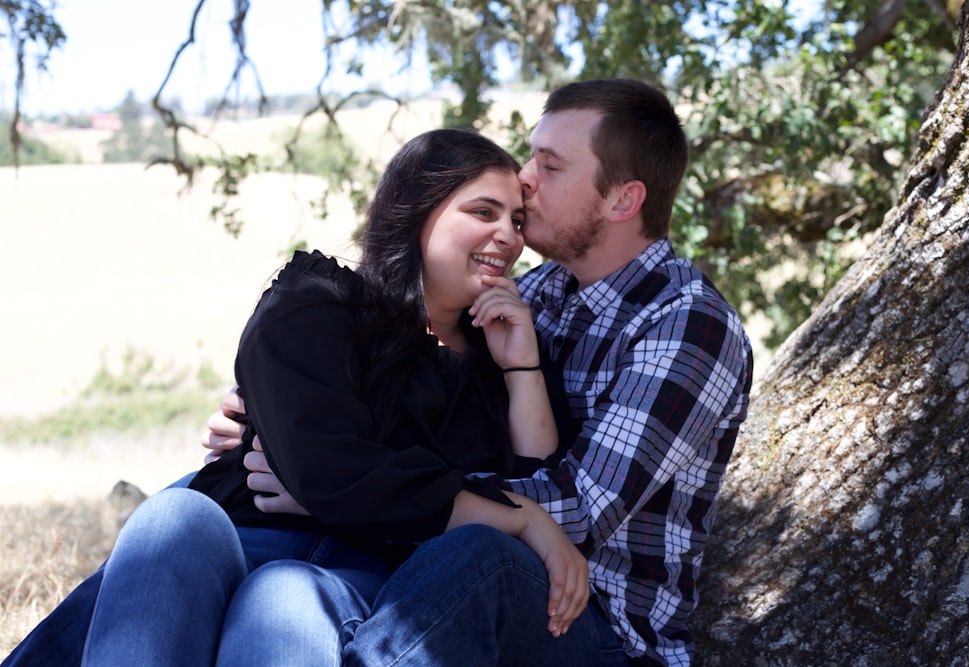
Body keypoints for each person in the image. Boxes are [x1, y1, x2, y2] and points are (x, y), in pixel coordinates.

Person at [207, 78, 754, 666]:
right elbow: (411, 393)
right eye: (529, 156)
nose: (526, 177)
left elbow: (576, 514)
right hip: (427, 576)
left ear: (622, 200)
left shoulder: (687, 327)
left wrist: (339, 482)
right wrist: (299, 432)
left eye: (550, 165)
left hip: (596, 622)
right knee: (253, 576)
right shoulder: (535, 292)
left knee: (479, 554)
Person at [3, 128, 589, 666]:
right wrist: (520, 520)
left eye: (516, 220)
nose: (508, 237)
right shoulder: (318, 304)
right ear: (416, 212)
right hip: (245, 535)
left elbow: (529, 480)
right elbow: (333, 469)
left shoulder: (499, 355)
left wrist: (522, 366)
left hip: (364, 578)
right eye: (483, 212)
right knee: (172, 518)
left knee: (284, 597)